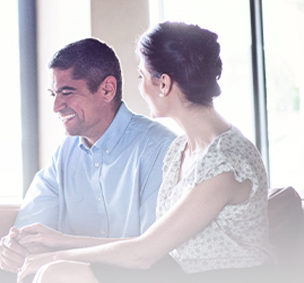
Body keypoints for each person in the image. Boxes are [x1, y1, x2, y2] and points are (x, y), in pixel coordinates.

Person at [15, 21, 276, 283]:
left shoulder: (227, 161)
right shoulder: (179, 151)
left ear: (163, 84)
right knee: (56, 272)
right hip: (175, 272)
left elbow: (144, 252)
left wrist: (55, 255)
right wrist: (58, 242)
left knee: (57, 272)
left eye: (141, 76)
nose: (139, 87)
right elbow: (148, 244)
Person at [0, 38, 177, 283]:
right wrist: (14, 249)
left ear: (107, 89)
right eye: (53, 93)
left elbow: (151, 251)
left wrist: (58, 254)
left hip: (121, 276)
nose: (56, 106)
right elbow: (31, 232)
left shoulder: (159, 149)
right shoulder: (64, 154)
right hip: (57, 271)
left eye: (67, 92)